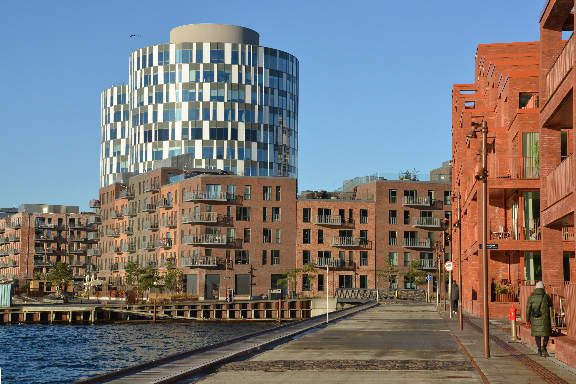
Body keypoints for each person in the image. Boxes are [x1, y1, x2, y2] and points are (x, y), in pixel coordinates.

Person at [526, 281, 553, 357]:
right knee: (546, 334)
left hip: (535, 319)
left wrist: (527, 320)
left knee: (537, 335)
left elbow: (528, 309)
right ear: (543, 288)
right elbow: (551, 304)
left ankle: (539, 350)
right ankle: (544, 347)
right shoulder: (546, 296)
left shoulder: (531, 297)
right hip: (545, 319)